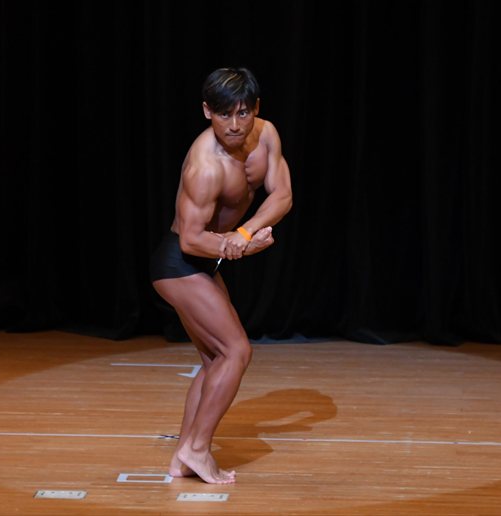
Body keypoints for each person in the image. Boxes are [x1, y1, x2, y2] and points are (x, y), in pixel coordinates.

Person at [149, 67, 292, 484]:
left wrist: (244, 233)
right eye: (224, 114)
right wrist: (243, 246)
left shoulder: (266, 135)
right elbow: (192, 240)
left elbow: (282, 194)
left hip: (206, 259)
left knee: (216, 360)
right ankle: (197, 449)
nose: (234, 125)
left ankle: (183, 456)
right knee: (236, 351)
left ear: (256, 109)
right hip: (178, 264)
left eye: (243, 113)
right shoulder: (204, 166)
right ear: (207, 111)